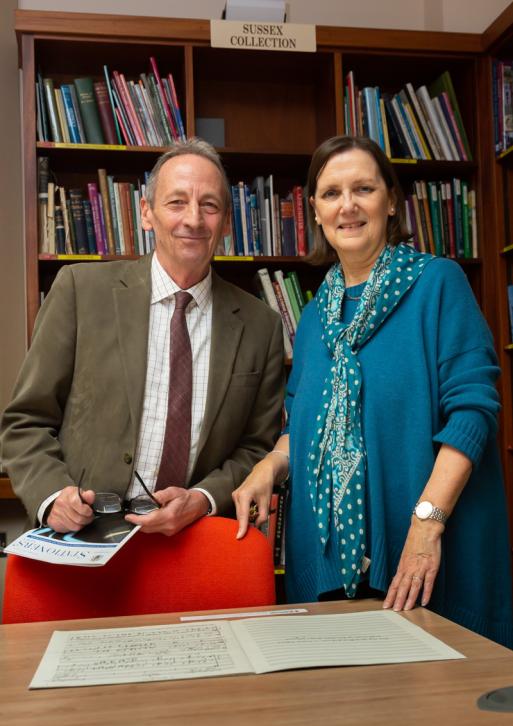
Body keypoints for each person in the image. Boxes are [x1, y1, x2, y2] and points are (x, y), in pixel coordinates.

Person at [233, 135, 513, 648]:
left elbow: (472, 413)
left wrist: (427, 526)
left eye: (363, 188)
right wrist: (266, 469)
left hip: (426, 550)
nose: (348, 205)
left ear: (390, 201)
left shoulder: (437, 284)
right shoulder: (317, 314)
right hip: (328, 567)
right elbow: (302, 423)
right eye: (331, 193)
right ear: (314, 211)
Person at [1, 138, 284, 537]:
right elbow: (26, 420)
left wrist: (203, 498)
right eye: (176, 202)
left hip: (192, 543)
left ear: (226, 223)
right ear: (146, 213)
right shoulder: (80, 291)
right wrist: (52, 497)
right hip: (82, 538)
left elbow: (257, 447)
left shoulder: (261, 326)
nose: (193, 219)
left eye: (209, 205)